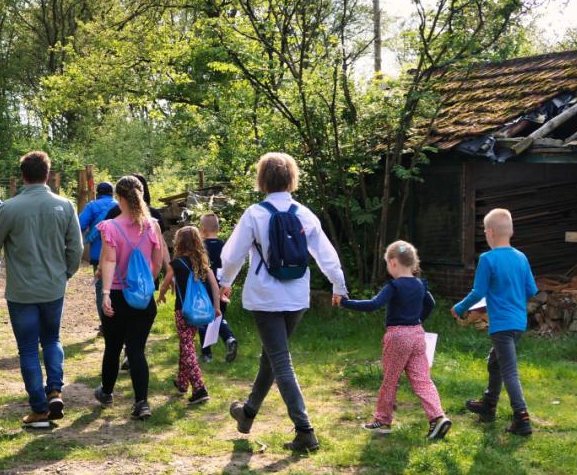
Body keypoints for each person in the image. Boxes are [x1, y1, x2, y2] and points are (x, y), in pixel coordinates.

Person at [220, 152, 348, 453]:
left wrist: (225, 282)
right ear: (292, 179)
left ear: (262, 180)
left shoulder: (255, 213)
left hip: (264, 298)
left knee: (280, 359)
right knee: (272, 356)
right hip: (296, 297)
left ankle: (305, 430)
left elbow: (232, 255)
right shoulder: (305, 214)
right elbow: (326, 255)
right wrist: (338, 285)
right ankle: (248, 412)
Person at [0, 151, 82, 429]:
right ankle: (55, 390)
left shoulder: (9, 208)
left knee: (28, 350)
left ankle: (39, 409)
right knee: (52, 340)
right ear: (48, 174)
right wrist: (64, 274)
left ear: (22, 175)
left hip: (22, 292)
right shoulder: (65, 205)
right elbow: (77, 249)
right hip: (53, 287)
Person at [341, 241, 451, 440]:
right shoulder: (419, 284)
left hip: (398, 336)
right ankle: (438, 417)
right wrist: (417, 321)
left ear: (393, 263)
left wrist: (344, 302)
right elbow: (431, 303)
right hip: (417, 334)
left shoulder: (394, 286)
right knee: (422, 380)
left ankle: (383, 421)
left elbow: (373, 304)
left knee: (390, 380)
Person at [453, 208, 538, 436]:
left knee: (509, 371)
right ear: (510, 231)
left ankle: (522, 418)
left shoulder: (487, 259)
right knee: (495, 362)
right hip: (519, 323)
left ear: (490, 232)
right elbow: (531, 289)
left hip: (501, 324)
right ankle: (488, 404)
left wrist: (459, 307)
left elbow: (478, 290)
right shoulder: (521, 258)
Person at [94, 176, 166, 421]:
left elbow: (110, 261)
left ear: (119, 198)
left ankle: (106, 392)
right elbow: (157, 263)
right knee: (136, 349)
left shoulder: (110, 227)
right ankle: (142, 402)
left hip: (116, 294)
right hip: (143, 298)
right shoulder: (153, 226)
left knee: (113, 347)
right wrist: (146, 285)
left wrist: (105, 294)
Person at [158, 226, 219, 406]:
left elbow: (166, 282)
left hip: (183, 311)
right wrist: (216, 308)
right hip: (200, 311)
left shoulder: (176, 264)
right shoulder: (202, 263)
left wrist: (161, 295)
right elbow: (215, 287)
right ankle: (182, 382)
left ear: (179, 242)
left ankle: (199, 388)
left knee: (187, 347)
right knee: (186, 344)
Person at [198, 213, 238, 363]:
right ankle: (229, 338)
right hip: (222, 287)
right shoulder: (224, 246)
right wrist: (228, 286)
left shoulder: (200, 247)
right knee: (219, 316)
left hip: (204, 288)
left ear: (202, 229)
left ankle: (206, 353)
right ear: (219, 228)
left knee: (203, 320)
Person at [79, 182, 118, 334]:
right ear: (112, 193)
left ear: (97, 193)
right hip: (119, 254)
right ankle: (119, 323)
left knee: (102, 290)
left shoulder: (92, 206)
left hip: (99, 255)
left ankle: (106, 326)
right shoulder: (120, 205)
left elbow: (80, 225)